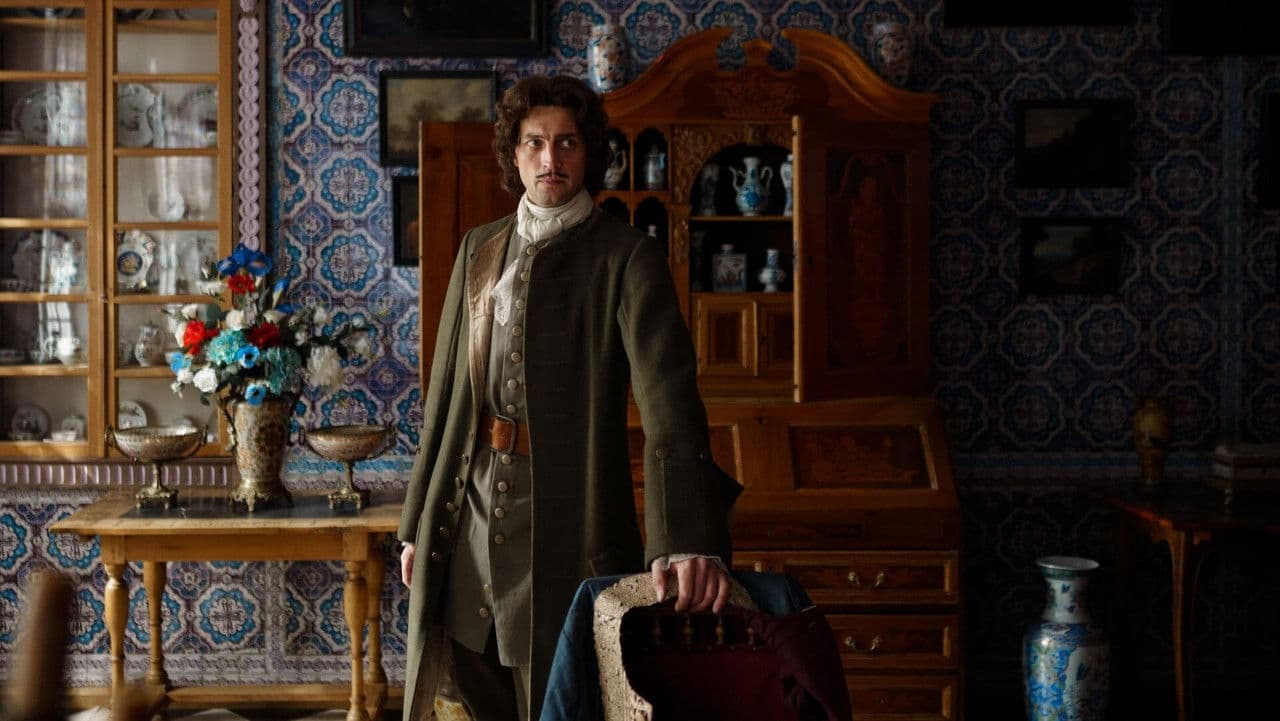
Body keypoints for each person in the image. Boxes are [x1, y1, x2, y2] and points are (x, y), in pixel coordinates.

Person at [397, 75, 741, 721]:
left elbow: (669, 400)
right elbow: (445, 397)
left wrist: (688, 537)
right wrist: (418, 520)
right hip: (468, 515)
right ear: (515, 153)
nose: (550, 158)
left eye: (566, 143)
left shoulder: (627, 256)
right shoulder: (478, 248)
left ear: (588, 154)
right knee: (475, 682)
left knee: (564, 698)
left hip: (570, 520)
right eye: (535, 143)